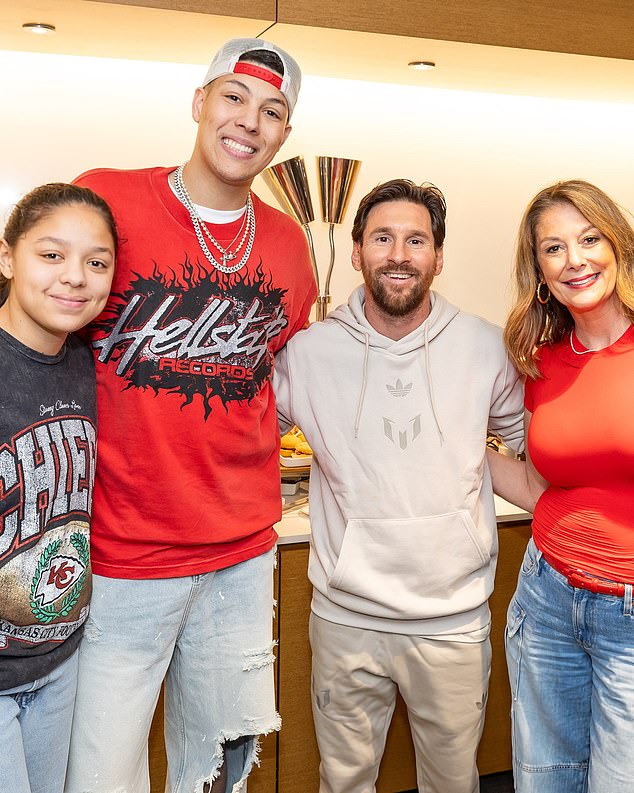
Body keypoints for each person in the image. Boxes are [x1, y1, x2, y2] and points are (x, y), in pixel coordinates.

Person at [63, 37, 316, 793]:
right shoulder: (106, 200)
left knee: (220, 774)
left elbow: (284, 373)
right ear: (200, 103)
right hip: (121, 556)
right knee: (102, 775)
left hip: (241, 556)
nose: (249, 121)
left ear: (284, 134)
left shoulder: (289, 245)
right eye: (234, 97)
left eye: (272, 110)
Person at [273, 178, 525, 793]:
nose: (400, 254)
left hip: (452, 620)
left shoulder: (485, 344)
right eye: (383, 238)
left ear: (439, 256)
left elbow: (530, 445)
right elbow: (243, 443)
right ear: (357, 251)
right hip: (346, 615)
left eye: (417, 240)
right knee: (345, 779)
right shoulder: (307, 353)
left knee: (452, 780)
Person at [489, 179, 634, 793]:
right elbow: (541, 485)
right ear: (539, 269)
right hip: (546, 600)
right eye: (554, 248)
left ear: (618, 246)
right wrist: (446, 444)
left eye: (589, 239)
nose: (574, 260)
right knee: (544, 782)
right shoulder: (540, 360)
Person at [0, 183, 117, 793]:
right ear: (7, 257)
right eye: (51, 255)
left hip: (58, 659)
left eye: (96, 263)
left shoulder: (83, 361)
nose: (75, 277)